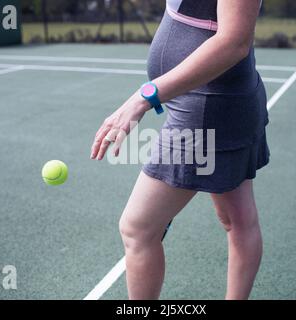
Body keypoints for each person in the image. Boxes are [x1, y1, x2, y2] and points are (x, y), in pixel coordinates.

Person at [90, 0, 269, 300]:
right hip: (198, 98)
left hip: (208, 105)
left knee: (138, 228)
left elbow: (234, 41)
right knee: (236, 217)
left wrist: (144, 97)